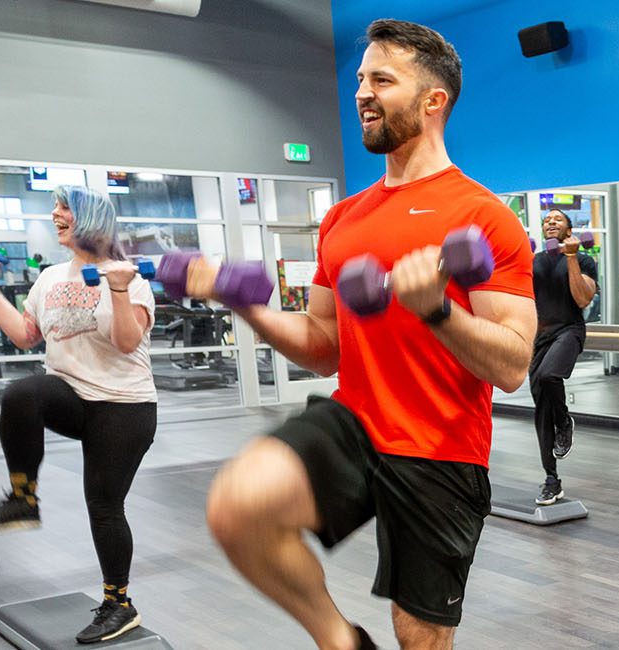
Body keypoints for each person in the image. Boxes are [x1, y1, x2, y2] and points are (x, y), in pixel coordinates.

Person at [203, 19, 535, 650]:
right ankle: (340, 641)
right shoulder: (343, 218)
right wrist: (246, 308)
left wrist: (437, 310)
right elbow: (323, 344)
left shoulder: (483, 216)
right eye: (360, 79)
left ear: (434, 100)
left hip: (441, 448)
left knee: (420, 636)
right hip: (355, 424)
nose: (362, 92)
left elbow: (513, 365)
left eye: (383, 79)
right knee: (239, 506)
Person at [0, 185, 159, 644]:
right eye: (54, 207)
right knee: (21, 395)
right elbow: (24, 335)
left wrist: (116, 289)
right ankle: (24, 497)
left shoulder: (129, 276)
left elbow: (127, 342)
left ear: (90, 218)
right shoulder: (51, 277)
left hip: (124, 406)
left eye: (64, 208)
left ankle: (119, 603)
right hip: (72, 395)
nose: (54, 214)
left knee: (104, 506)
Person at [528, 209, 596, 505]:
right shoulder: (535, 261)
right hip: (539, 338)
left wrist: (570, 256)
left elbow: (583, 298)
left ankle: (565, 422)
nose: (551, 222)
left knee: (549, 375)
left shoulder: (583, 260)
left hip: (569, 330)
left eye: (557, 218)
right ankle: (551, 479)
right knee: (541, 410)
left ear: (569, 228)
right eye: (547, 220)